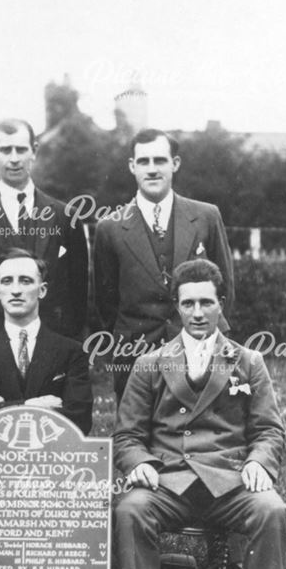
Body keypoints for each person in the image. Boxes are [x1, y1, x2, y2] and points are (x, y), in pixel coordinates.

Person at [112, 259, 286, 569]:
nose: (197, 313)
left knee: (272, 511)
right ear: (176, 306)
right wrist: (140, 464)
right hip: (168, 482)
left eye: (206, 302)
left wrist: (259, 462)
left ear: (220, 303)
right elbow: (127, 436)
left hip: (229, 483)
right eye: (187, 303)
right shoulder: (151, 363)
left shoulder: (247, 361)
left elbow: (269, 429)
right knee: (130, 511)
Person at [93, 128, 234, 404]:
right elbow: (106, 302)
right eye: (144, 161)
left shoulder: (206, 216)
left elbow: (225, 288)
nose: (152, 169)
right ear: (132, 167)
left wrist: (206, 336)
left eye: (160, 160)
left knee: (203, 436)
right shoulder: (109, 227)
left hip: (200, 348)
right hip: (135, 353)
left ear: (175, 164)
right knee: (135, 439)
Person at [0, 118, 89, 343]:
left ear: (34, 151)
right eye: (6, 150)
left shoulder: (65, 217)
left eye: (21, 149)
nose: (14, 159)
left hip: (54, 345)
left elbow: (78, 292)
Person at [0, 248, 92, 435]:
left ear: (42, 290)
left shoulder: (71, 352)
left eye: (26, 281)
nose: (16, 290)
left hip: (54, 458)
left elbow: (80, 419)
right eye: (7, 281)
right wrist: (32, 406)